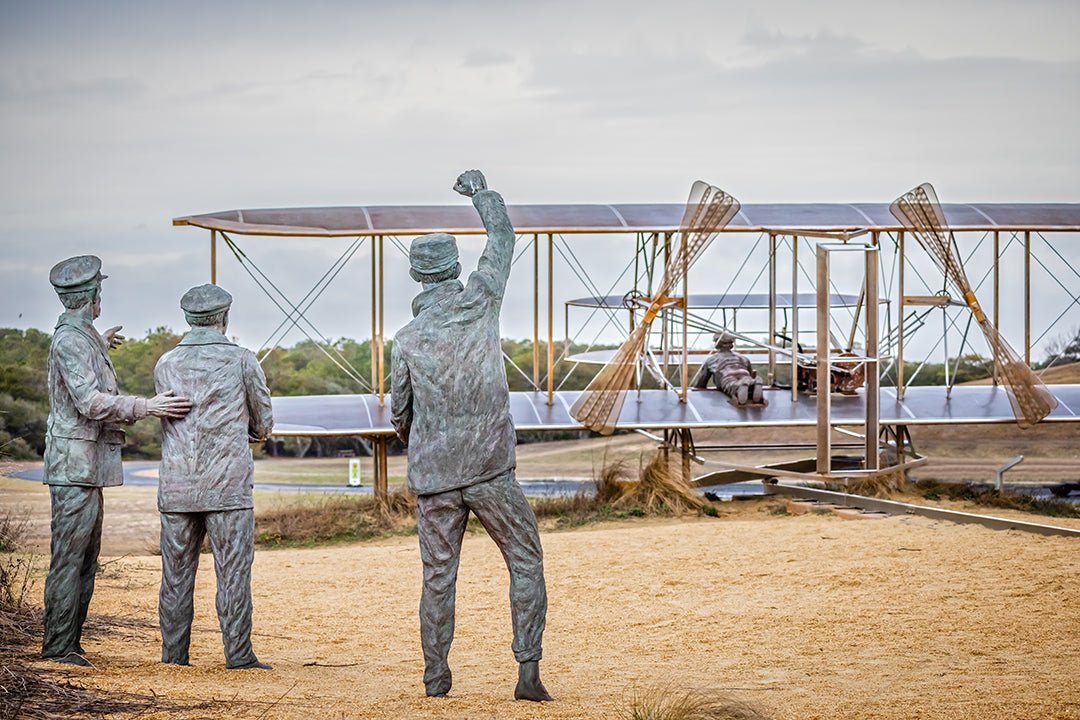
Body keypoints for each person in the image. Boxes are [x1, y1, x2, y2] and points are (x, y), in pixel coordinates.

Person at [391, 170, 552, 702]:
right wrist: (482, 195)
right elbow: (503, 240)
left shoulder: (408, 339)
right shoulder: (481, 297)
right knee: (525, 560)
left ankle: (436, 676)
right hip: (491, 469)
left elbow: (401, 414)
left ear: (416, 277)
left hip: (436, 476)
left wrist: (430, 441)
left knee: (438, 577)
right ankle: (527, 671)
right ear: (455, 269)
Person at [42, 255, 192, 666]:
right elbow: (89, 402)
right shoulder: (71, 340)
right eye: (99, 290)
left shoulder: (82, 335)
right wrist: (149, 406)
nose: (101, 295)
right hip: (75, 464)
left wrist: (100, 343)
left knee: (84, 559)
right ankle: (58, 647)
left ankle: (67, 643)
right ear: (90, 294)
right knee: (70, 559)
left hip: (86, 465)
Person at [153, 284, 274, 670]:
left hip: (177, 484)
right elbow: (264, 422)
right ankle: (238, 655)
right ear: (224, 317)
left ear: (188, 318)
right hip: (228, 485)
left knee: (175, 575)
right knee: (233, 572)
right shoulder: (242, 360)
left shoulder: (166, 363)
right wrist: (249, 433)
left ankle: (174, 656)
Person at [692, 332, 764, 405]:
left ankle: (739, 386)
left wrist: (697, 387)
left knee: (730, 385)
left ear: (717, 344)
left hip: (727, 376)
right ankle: (753, 383)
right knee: (748, 379)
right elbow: (750, 373)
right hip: (744, 373)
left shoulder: (711, 360)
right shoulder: (744, 358)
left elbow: (702, 382)